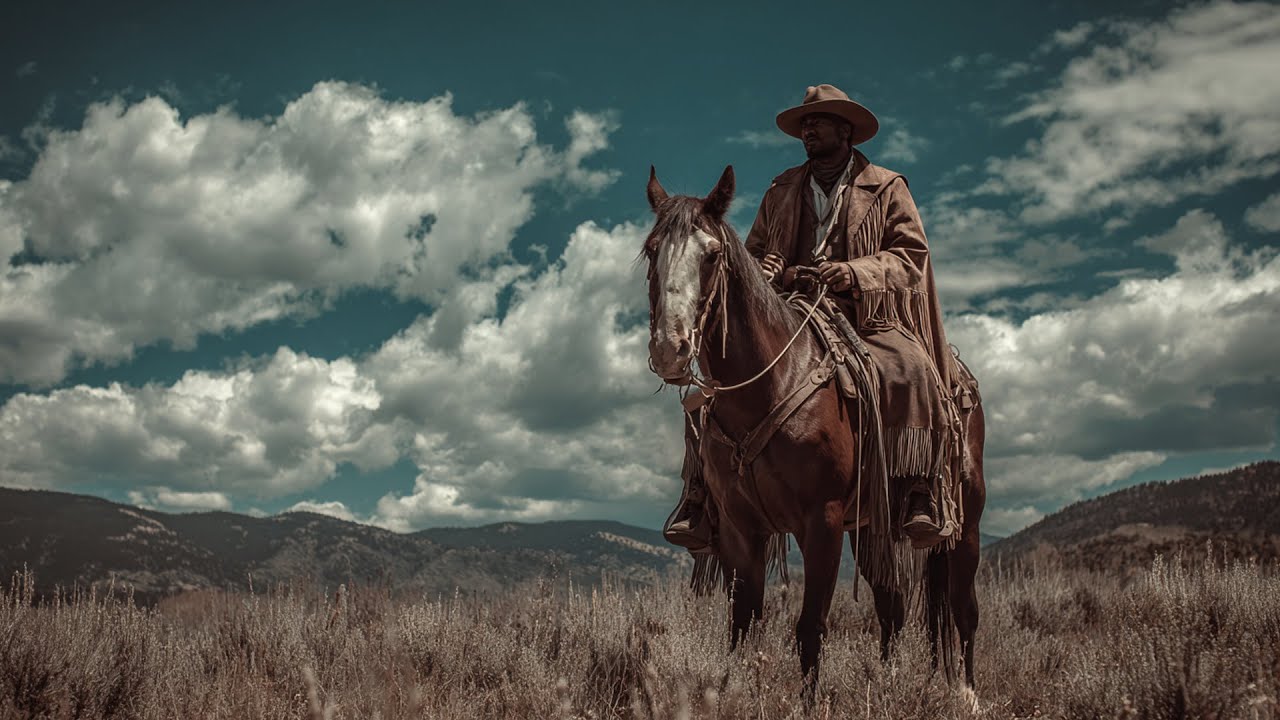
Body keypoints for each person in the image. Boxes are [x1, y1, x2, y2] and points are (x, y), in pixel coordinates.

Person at [664, 84, 967, 552]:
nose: (807, 129)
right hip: (793, 310)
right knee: (714, 385)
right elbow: (753, 253)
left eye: (818, 121)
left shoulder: (886, 187)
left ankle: (919, 490)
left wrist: (852, 271)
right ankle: (700, 494)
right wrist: (765, 267)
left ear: (845, 131)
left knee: (910, 367)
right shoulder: (782, 188)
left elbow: (911, 256)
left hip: (867, 314)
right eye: (804, 123)